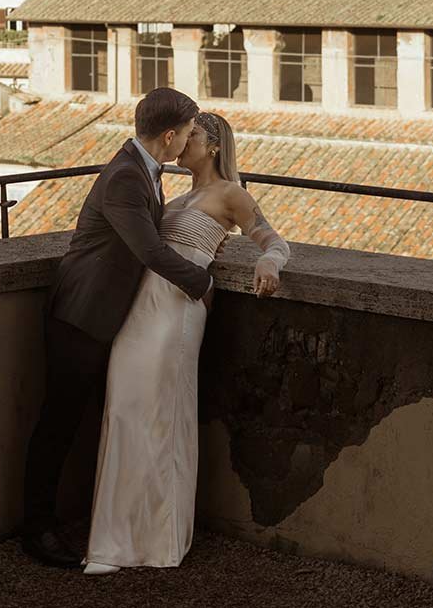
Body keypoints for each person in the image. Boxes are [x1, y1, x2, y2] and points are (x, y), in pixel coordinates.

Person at [82, 110, 290, 574]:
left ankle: (158, 543)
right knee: (124, 413)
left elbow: (274, 241)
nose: (180, 143)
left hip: (176, 314)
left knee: (161, 418)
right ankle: (114, 539)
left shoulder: (231, 194)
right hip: (139, 311)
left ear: (212, 145)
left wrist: (269, 264)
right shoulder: (172, 196)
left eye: (191, 136)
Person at [20, 87, 211, 568]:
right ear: (169, 135)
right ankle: (36, 529)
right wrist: (202, 280)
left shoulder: (144, 168)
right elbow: (149, 250)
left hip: (105, 314)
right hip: (81, 313)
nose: (188, 142)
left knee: (88, 419)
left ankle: (94, 520)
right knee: (59, 422)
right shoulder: (127, 176)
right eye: (187, 133)